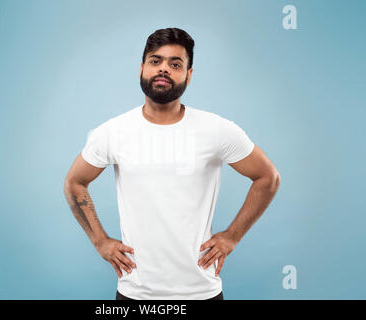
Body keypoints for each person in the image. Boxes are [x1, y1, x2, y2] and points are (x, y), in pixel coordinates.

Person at [64, 27, 281, 300]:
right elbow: (75, 183)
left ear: (188, 75)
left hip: (201, 292)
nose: (163, 69)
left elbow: (268, 178)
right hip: (136, 293)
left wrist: (232, 237)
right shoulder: (113, 132)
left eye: (175, 64)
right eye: (155, 61)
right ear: (142, 68)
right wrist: (100, 241)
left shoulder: (217, 130)